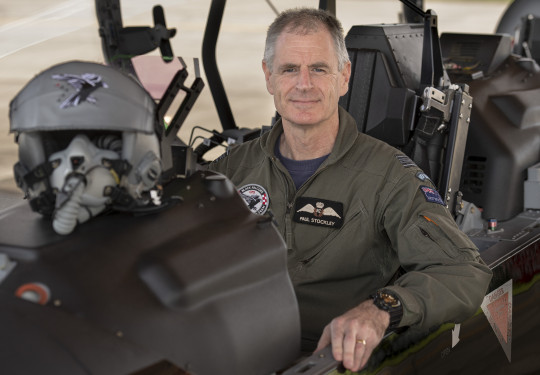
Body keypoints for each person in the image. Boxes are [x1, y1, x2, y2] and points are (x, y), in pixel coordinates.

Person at [209, 7, 492, 372]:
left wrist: (383, 308)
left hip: (321, 358)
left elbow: (464, 271)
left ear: (344, 77)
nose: (304, 84)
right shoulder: (230, 170)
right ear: (269, 77)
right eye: (289, 69)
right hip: (228, 351)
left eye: (319, 69)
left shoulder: (387, 177)